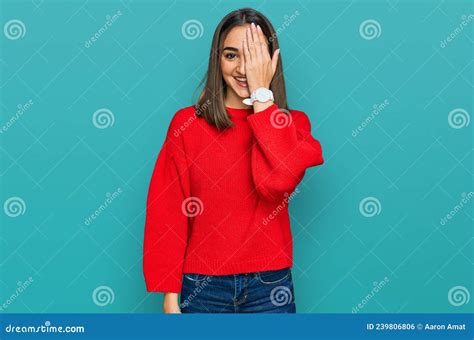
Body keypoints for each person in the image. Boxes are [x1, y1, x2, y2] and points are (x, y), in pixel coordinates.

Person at [143, 7, 324, 313]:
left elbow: (276, 183)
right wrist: (170, 293)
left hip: (270, 287)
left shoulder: (291, 124)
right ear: (217, 60)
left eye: (254, 56)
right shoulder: (187, 125)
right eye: (231, 55)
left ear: (271, 62)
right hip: (201, 287)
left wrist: (262, 98)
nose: (243, 69)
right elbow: (167, 212)